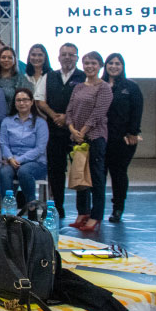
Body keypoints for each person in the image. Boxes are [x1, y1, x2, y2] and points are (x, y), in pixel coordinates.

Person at [34, 42, 85, 218]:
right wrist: (54, 115)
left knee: (81, 170)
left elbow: (87, 104)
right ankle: (58, 206)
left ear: (77, 58)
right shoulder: (49, 76)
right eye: (64, 54)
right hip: (54, 131)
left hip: (77, 132)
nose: (67, 57)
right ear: (58, 57)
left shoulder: (84, 76)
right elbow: (40, 100)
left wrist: (68, 118)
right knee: (56, 171)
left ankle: (83, 211)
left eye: (71, 54)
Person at [66, 51, 113, 233]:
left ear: (100, 66)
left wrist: (83, 132)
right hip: (77, 138)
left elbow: (98, 113)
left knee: (96, 177)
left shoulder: (104, 88)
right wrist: (72, 129)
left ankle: (95, 216)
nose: (89, 66)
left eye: (93, 63)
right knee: (80, 177)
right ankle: (82, 212)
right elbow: (69, 110)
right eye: (86, 63)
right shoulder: (78, 87)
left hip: (95, 138)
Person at [102, 53, 143, 223]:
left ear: (122, 66)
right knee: (98, 176)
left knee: (118, 174)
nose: (114, 66)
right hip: (101, 138)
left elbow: (137, 111)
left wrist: (133, 132)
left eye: (117, 63)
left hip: (123, 140)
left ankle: (118, 208)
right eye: (110, 63)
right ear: (105, 66)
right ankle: (95, 210)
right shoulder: (99, 85)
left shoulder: (131, 87)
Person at [0, 88, 48, 209]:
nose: (21, 103)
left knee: (24, 171)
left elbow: (40, 148)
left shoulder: (40, 123)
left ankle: (31, 206)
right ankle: (8, 210)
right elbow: (3, 143)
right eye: (18, 100)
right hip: (11, 162)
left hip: (36, 163)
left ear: (31, 102)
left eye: (25, 100)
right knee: (4, 172)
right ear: (14, 103)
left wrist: (19, 160)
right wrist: (10, 158)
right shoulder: (7, 121)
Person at [0, 47, 32, 113]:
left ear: (14, 61)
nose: (6, 60)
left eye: (10, 58)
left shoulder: (21, 79)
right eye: (3, 57)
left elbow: (27, 101)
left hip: (14, 118)